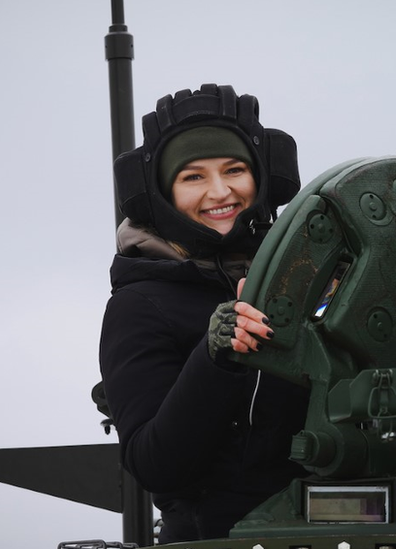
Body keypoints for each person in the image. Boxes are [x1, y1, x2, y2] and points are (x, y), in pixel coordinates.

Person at [99, 84, 309, 543]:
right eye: (193, 177)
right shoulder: (140, 304)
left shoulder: (307, 278)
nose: (220, 192)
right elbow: (157, 465)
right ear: (162, 194)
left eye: (235, 170)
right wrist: (216, 357)